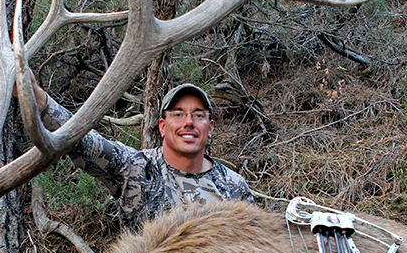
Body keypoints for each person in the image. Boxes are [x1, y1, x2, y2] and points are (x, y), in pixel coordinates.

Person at [28, 79, 255, 231]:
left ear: (210, 127)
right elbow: (85, 143)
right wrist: (38, 98)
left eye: (198, 115)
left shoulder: (234, 187)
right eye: (178, 114)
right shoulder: (135, 168)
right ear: (163, 126)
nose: (189, 122)